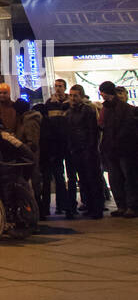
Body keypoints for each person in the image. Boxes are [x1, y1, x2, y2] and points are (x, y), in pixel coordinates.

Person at [98, 80, 138, 217]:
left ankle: (130, 206)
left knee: (127, 178)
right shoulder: (107, 109)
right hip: (112, 149)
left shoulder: (125, 109)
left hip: (124, 149)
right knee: (116, 179)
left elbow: (126, 129)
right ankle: (122, 205)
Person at [64, 85, 105, 218]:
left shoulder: (88, 110)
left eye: (75, 95)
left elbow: (92, 131)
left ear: (81, 96)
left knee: (93, 179)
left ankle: (97, 208)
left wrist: (91, 148)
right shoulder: (69, 112)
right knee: (84, 180)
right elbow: (69, 131)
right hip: (76, 150)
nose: (72, 98)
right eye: (71, 95)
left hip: (88, 150)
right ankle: (89, 205)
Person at [39, 78, 72, 217]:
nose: (57, 88)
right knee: (57, 176)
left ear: (65, 87)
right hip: (54, 146)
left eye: (60, 86)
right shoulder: (49, 104)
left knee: (65, 176)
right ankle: (58, 206)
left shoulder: (70, 103)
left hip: (67, 144)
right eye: (56, 86)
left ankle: (65, 205)